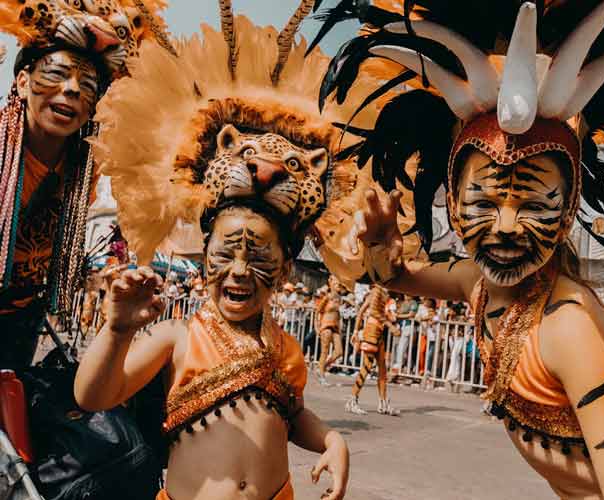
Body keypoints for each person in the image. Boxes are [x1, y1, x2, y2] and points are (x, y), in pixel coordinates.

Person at [310, 1, 604, 496]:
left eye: (536, 203)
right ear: (451, 199)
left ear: (568, 210)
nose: (508, 226)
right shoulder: (482, 287)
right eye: (485, 201)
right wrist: (384, 247)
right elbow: (395, 279)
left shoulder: (568, 327)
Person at [74, 4, 386, 497]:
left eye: (260, 258)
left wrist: (330, 439)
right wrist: (115, 331)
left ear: (286, 269)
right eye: (226, 254)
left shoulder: (285, 348)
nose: (239, 271)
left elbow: (292, 412)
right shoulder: (177, 338)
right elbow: (93, 396)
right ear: (204, 260)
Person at [0, 0, 169, 368]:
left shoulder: (86, 170)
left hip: (21, 322)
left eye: (87, 84)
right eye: (57, 74)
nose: (72, 89)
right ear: (23, 80)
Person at [346, 284, 399, 416]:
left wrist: (355, 331)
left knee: (382, 368)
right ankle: (352, 400)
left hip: (377, 332)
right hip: (372, 332)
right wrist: (390, 326)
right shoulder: (377, 290)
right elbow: (374, 311)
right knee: (367, 366)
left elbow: (362, 311)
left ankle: (383, 403)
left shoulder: (379, 291)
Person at [314, 276, 344, 386]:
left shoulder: (339, 299)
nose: (338, 286)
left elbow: (338, 313)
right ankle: (322, 376)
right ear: (330, 284)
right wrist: (317, 327)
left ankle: (323, 367)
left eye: (339, 285)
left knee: (339, 352)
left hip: (335, 327)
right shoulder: (327, 297)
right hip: (325, 326)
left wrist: (340, 326)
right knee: (324, 351)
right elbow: (317, 311)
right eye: (336, 284)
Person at [391, 294, 418, 380]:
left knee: (403, 348)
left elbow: (411, 315)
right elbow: (399, 311)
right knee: (401, 348)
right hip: (403, 326)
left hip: (409, 327)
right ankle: (402, 368)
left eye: (408, 294)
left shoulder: (414, 303)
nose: (406, 296)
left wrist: (398, 316)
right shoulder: (404, 303)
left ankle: (401, 368)